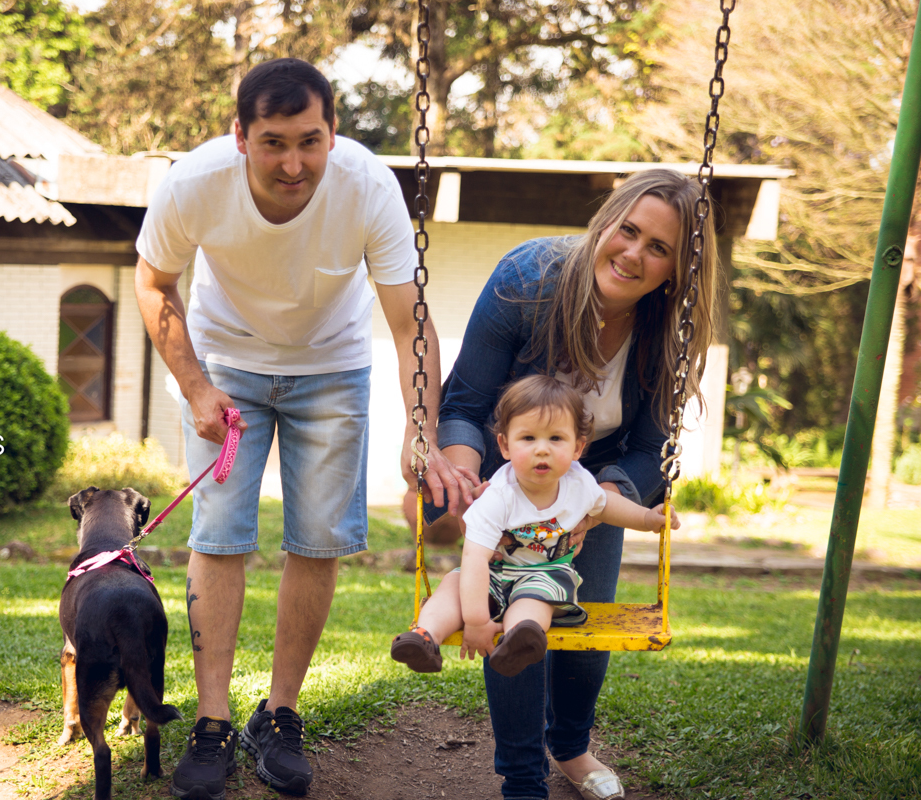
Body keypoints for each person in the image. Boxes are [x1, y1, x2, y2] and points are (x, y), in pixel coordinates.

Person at [134, 58, 474, 800]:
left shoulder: (366, 185)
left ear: (333, 133)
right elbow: (152, 282)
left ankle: (279, 715)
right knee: (220, 535)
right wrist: (195, 385)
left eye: (310, 141)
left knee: (318, 539)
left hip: (332, 366)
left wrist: (421, 428)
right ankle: (214, 721)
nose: (294, 163)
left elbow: (409, 321)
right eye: (274, 142)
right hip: (226, 365)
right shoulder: (193, 184)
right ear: (239, 137)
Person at [423, 168, 717, 800]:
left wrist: (599, 503)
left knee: (582, 625)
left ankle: (572, 749)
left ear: (676, 269)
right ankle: (522, 776)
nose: (634, 254)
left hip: (600, 473)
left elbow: (651, 448)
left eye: (659, 248)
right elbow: (469, 400)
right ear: (606, 222)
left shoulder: (671, 328)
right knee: (513, 620)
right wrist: (466, 472)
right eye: (628, 231)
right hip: (510, 465)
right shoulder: (527, 281)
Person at [390, 375, 679, 678]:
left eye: (556, 439)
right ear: (504, 445)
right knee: (452, 587)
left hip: (545, 574)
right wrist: (475, 621)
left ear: (578, 447)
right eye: (528, 439)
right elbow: (475, 559)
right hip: (491, 574)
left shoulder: (578, 484)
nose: (542, 449)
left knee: (536, 599)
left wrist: (648, 519)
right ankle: (424, 637)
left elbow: (606, 505)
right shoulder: (498, 495)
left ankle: (518, 640)